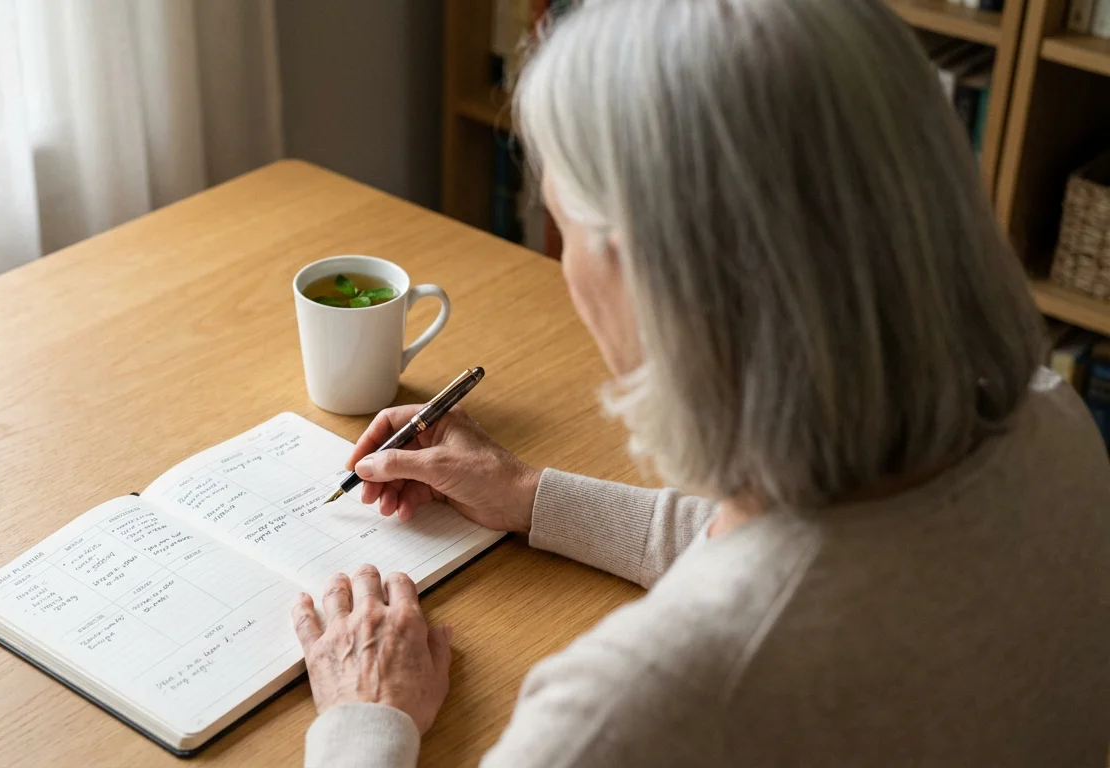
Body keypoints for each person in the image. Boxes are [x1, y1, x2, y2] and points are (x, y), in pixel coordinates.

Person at [289, 0, 1110, 765]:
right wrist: (528, 493)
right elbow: (775, 552)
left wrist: (366, 717)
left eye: (564, 230)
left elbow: (764, 598)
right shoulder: (1053, 420)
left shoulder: (631, 709)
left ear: (658, 280)